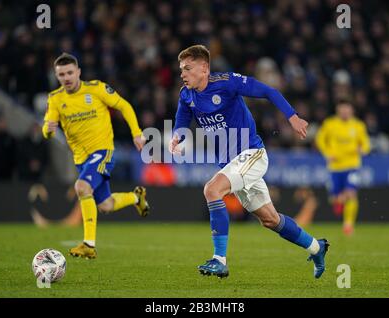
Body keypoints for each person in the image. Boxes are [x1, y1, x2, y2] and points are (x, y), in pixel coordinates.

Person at [169, 45, 329, 279]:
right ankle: (317, 247)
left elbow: (268, 91)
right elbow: (183, 115)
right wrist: (177, 135)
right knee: (270, 220)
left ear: (204, 68)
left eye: (187, 68)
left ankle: (219, 260)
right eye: (181, 69)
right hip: (231, 163)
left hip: (252, 154)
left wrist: (292, 117)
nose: (182, 73)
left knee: (212, 190)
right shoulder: (187, 94)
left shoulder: (227, 82)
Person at [42, 53, 150, 259]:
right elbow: (47, 131)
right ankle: (136, 197)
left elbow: (124, 106)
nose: (66, 78)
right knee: (106, 205)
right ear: (57, 76)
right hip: (81, 160)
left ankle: (88, 245)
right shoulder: (55, 99)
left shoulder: (97, 89)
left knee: (81, 187)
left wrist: (137, 133)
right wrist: (48, 128)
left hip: (103, 151)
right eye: (61, 74)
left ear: (78, 72)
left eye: (70, 72)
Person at [315, 100, 371, 235]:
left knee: (351, 193)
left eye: (347, 109)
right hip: (335, 167)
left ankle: (348, 225)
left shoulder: (358, 125)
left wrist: (363, 149)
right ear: (338, 110)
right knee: (335, 198)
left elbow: (366, 144)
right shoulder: (330, 124)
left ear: (352, 111)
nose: (345, 112)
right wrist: (327, 153)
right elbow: (320, 139)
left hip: (352, 165)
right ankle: (339, 200)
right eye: (342, 109)